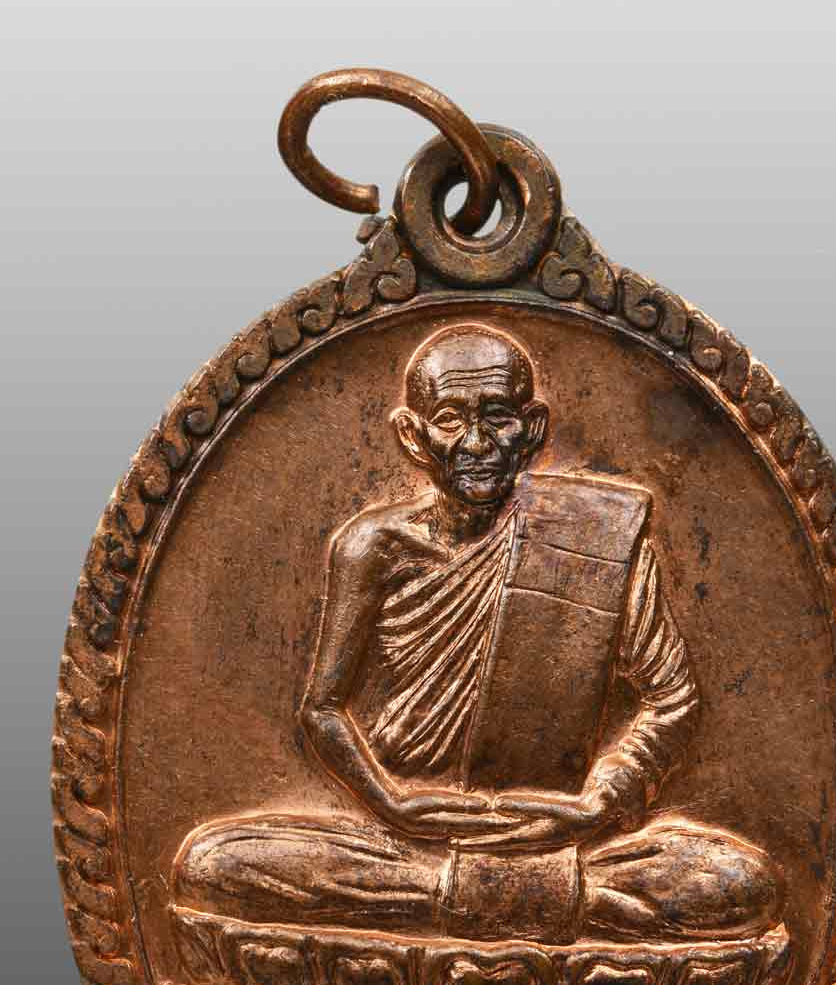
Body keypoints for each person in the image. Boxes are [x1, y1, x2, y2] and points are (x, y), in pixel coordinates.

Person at [174, 323, 782, 946]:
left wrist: (600, 802)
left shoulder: (599, 535)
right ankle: (531, 902)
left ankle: (460, 904)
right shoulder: (373, 546)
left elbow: (672, 698)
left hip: (555, 832)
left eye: (498, 418)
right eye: (449, 419)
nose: (476, 443)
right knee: (215, 864)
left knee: (740, 882)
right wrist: (392, 803)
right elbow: (323, 709)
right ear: (412, 435)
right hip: (406, 839)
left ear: (534, 428)